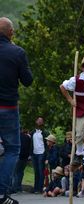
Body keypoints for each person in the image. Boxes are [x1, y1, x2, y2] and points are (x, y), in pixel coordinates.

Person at [0, 17, 33, 204]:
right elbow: (28, 81)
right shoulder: (17, 52)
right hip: (8, 108)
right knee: (12, 149)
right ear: (11, 32)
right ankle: (1, 194)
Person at [31, 117, 49, 193]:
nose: (39, 122)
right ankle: (35, 188)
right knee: (36, 171)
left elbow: (47, 145)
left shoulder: (45, 133)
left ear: (43, 122)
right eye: (38, 120)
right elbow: (30, 144)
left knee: (41, 171)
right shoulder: (32, 133)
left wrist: (47, 156)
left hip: (41, 153)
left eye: (41, 121)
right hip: (34, 154)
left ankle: (40, 188)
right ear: (36, 121)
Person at [10, 129, 31, 193]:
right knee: (21, 172)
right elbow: (29, 147)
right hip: (25, 158)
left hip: (18, 156)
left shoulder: (16, 137)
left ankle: (14, 188)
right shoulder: (27, 137)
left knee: (15, 173)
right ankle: (18, 187)